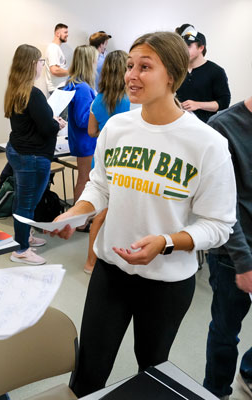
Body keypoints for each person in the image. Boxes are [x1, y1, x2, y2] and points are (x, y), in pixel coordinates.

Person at [50, 31, 237, 397]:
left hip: (166, 282)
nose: (131, 75)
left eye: (145, 67)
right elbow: (100, 185)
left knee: (150, 374)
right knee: (88, 371)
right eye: (130, 65)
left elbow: (219, 225)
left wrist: (167, 243)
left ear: (173, 75)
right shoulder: (118, 127)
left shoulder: (208, 143)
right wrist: (77, 211)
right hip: (111, 272)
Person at [203, 96, 252, 400]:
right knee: (225, 331)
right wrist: (244, 263)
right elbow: (220, 206)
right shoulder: (223, 127)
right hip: (234, 254)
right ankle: (215, 392)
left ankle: (248, 371)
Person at [3, 44, 64, 265]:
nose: (42, 65)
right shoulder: (33, 93)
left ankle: (23, 235)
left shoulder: (15, 90)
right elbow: (46, 128)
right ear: (32, 64)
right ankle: (21, 249)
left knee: (23, 198)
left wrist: (49, 121)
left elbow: (33, 122)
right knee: (27, 203)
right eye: (41, 61)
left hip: (19, 151)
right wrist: (57, 124)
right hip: (33, 156)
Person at [83, 50, 130, 274]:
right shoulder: (131, 101)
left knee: (99, 215)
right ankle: (97, 261)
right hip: (126, 164)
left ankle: (91, 261)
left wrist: (106, 129)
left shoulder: (98, 100)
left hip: (102, 160)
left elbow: (91, 131)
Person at [63, 45, 98, 203]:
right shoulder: (83, 87)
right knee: (85, 180)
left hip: (80, 140)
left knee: (84, 179)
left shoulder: (73, 83)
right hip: (86, 142)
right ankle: (80, 220)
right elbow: (82, 119)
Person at [176, 28, 231, 123]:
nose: (183, 51)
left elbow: (224, 103)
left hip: (207, 126)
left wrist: (198, 105)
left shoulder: (216, 71)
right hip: (180, 124)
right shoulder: (178, 70)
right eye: (182, 47)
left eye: (188, 46)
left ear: (201, 48)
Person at [44, 23, 70, 95]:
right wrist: (71, 72)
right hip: (58, 89)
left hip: (60, 88)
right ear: (57, 33)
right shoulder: (53, 48)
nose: (67, 35)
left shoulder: (56, 48)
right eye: (65, 32)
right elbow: (55, 70)